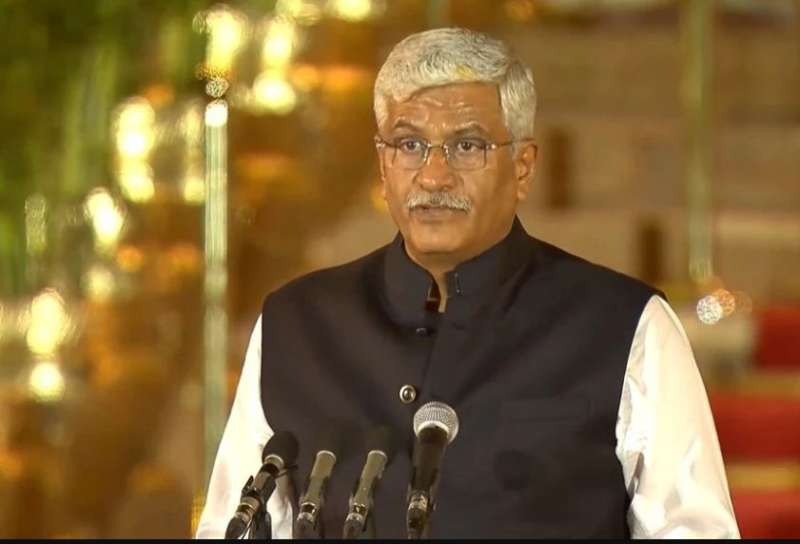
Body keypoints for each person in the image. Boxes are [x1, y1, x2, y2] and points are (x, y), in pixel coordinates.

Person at [196, 27, 739, 539]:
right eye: (409, 145)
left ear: (523, 167)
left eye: (468, 146)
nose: (434, 176)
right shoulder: (299, 324)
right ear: (382, 165)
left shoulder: (624, 327)